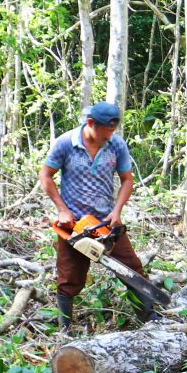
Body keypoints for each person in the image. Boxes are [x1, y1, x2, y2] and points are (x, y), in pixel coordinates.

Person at [40, 101, 151, 330]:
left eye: (113, 130)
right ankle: (64, 329)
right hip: (74, 225)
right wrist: (62, 209)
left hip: (106, 222)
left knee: (132, 270)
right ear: (91, 123)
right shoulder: (66, 144)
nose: (109, 135)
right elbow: (46, 176)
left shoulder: (116, 146)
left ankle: (150, 318)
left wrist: (117, 211)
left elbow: (127, 179)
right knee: (69, 277)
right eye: (106, 130)